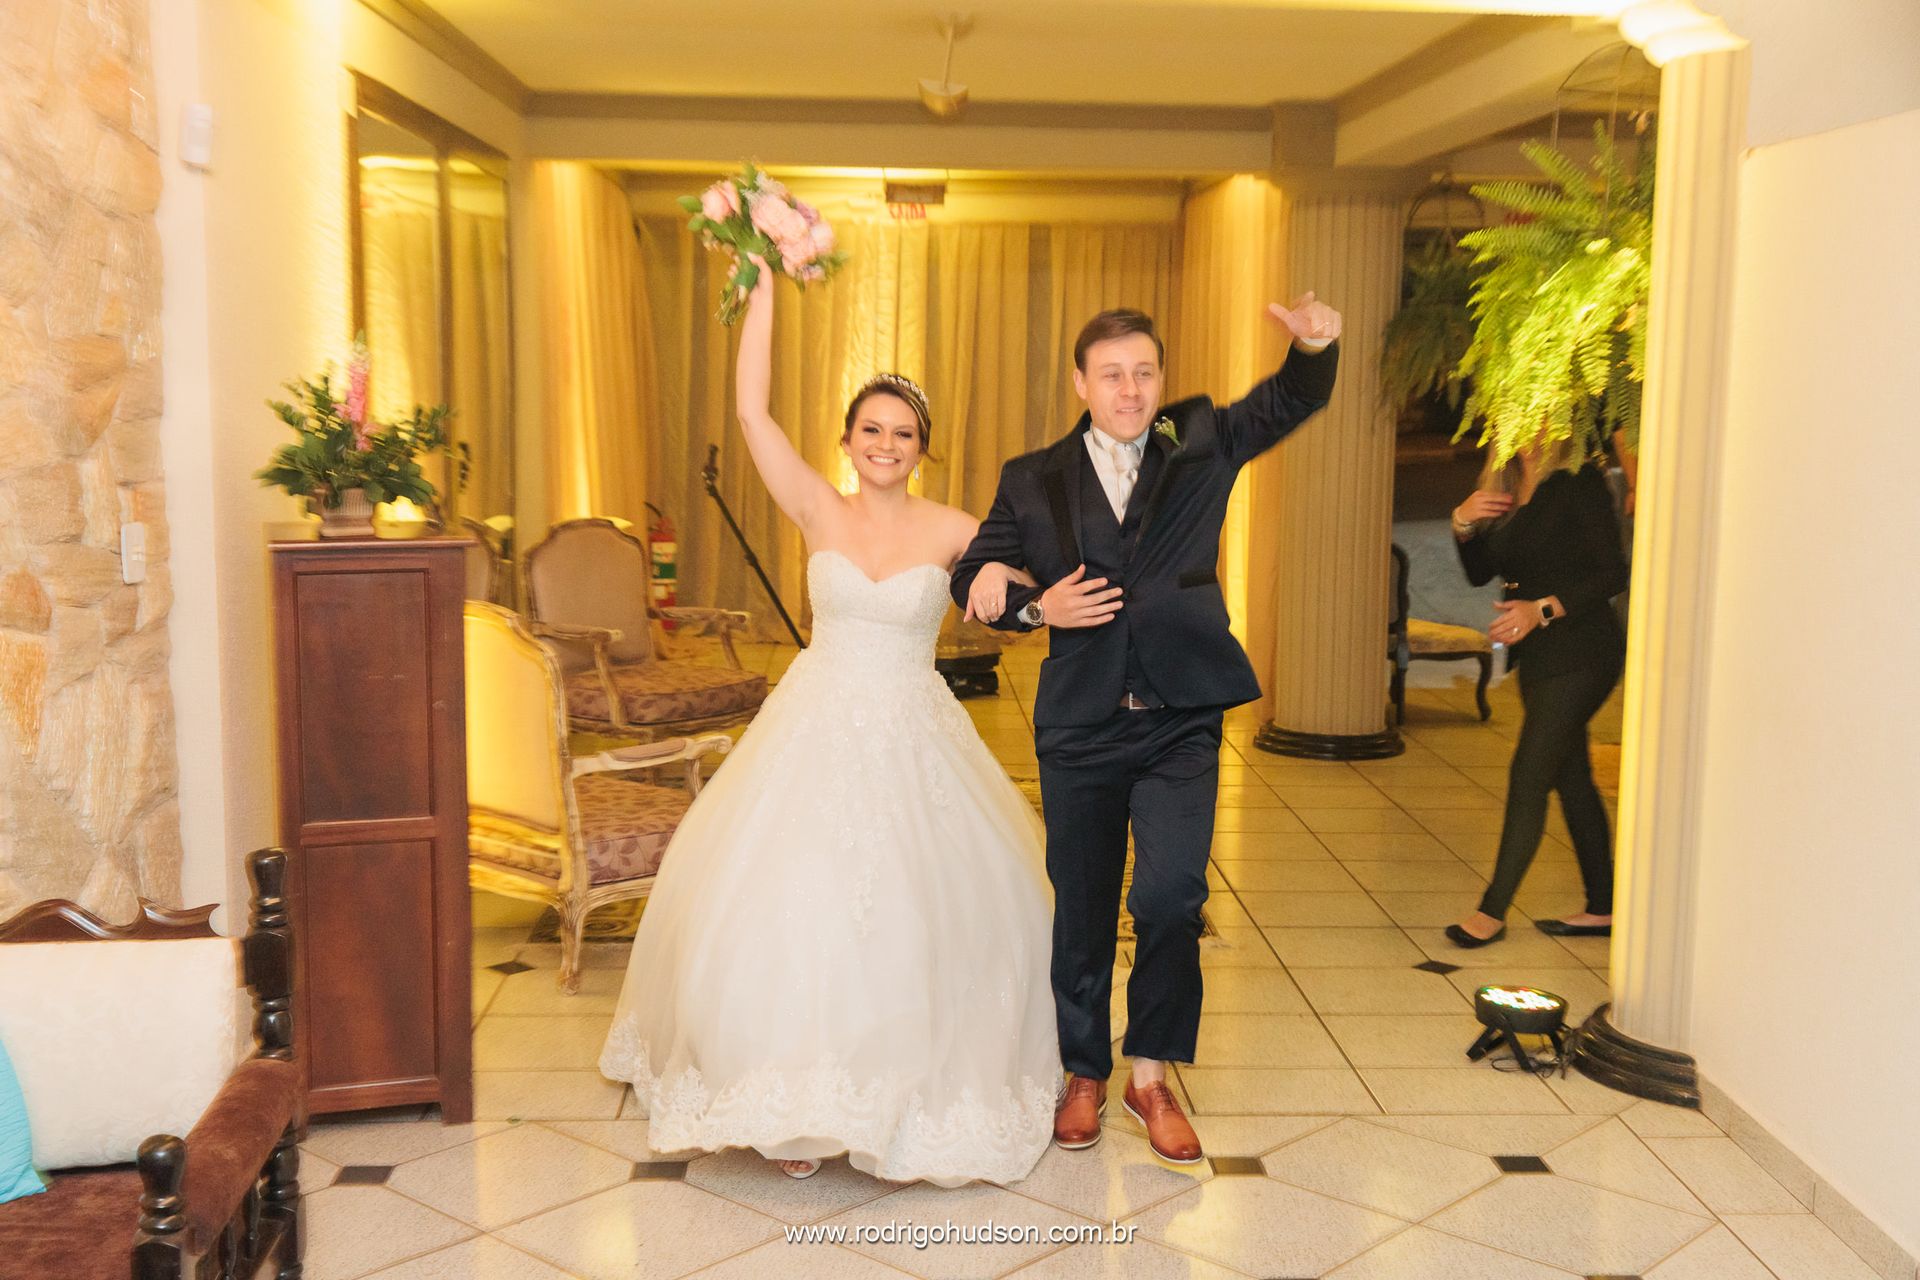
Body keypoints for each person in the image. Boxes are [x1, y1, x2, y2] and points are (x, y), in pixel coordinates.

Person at [599, 259, 1060, 1187]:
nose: (886, 444)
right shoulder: (817, 505)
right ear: (847, 441)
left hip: (914, 733)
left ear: (921, 447)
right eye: (871, 429)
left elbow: (1023, 593)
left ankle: (891, 1092)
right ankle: (793, 1106)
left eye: (903, 433)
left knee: (916, 911)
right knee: (793, 904)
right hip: (813, 727)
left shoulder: (958, 526)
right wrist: (763, 290)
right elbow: (750, 418)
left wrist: (1033, 604)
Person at [953, 297, 1341, 1164]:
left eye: (1144, 373)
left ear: (1159, 380)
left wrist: (1315, 345)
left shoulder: (1200, 436)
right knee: (1082, 908)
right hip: (1081, 724)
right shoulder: (1033, 476)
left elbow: (1289, 398)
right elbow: (975, 568)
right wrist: (1025, 604)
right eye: (1112, 374)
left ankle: (1151, 1073)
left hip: (1180, 720)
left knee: (1171, 900)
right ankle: (1084, 1070)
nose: (1130, 390)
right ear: (1081, 384)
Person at [1443, 441, 1630, 949]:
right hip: (1540, 658)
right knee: (1572, 781)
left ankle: (1492, 911)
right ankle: (1603, 905)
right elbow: (1483, 570)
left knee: (1530, 772)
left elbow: (1614, 571)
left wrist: (1540, 610)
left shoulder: (1577, 480)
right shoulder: (1505, 485)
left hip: (1585, 650)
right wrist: (1462, 520)